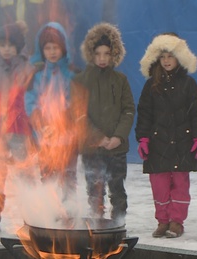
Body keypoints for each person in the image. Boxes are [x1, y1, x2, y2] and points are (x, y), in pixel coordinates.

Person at [136, 32, 197, 238]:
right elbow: (144, 113)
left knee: (180, 185)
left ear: (180, 57)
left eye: (171, 56)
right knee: (159, 186)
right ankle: (162, 220)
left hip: (182, 144)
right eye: (163, 57)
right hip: (158, 145)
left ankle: (176, 222)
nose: (166, 61)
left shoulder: (189, 84)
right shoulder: (151, 85)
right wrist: (143, 138)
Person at [71, 23, 134, 224]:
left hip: (116, 147)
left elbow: (128, 110)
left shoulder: (121, 79)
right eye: (98, 54)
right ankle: (97, 225)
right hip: (91, 147)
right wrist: (98, 138)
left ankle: (119, 224)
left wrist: (117, 137)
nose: (102, 58)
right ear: (91, 54)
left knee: (117, 188)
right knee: (95, 189)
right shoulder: (80, 81)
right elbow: (78, 114)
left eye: (107, 54)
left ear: (114, 54)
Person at [0, 21, 35, 236]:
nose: (7, 49)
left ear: (19, 46)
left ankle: (31, 217)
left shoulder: (28, 69)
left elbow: (34, 100)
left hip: (20, 131)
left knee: (25, 174)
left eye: (12, 45)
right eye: (3, 45)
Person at [25, 21, 79, 202]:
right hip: (45, 134)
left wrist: (65, 123)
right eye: (48, 48)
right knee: (48, 174)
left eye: (56, 47)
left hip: (67, 134)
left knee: (68, 175)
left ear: (63, 48)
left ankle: (70, 209)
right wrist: (40, 122)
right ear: (42, 50)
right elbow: (31, 101)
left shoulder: (71, 74)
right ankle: (51, 209)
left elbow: (75, 101)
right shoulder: (37, 75)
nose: (52, 52)